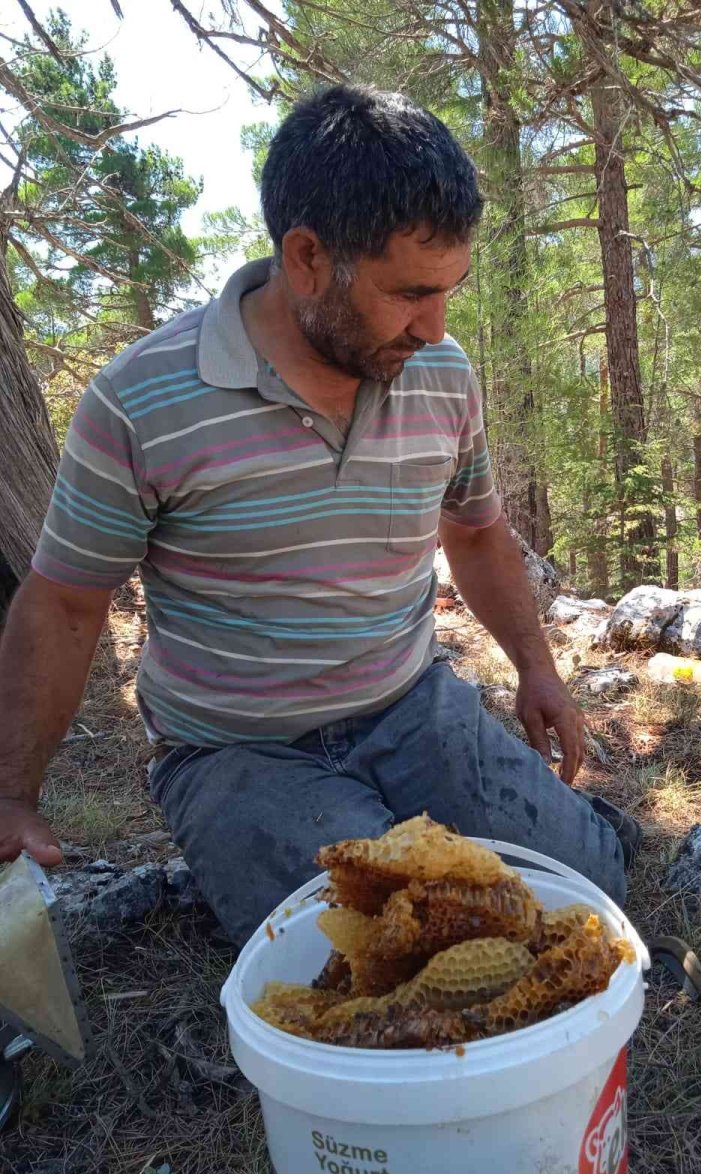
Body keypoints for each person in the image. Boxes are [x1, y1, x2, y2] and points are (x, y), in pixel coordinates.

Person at [0, 85, 636, 945]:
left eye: (450, 290)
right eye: (410, 293)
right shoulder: (142, 400)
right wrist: (11, 794)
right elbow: (65, 602)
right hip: (235, 749)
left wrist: (538, 669)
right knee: (381, 943)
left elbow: (477, 529)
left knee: (584, 889)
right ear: (306, 258)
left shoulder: (443, 374)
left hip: (410, 705)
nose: (435, 327)